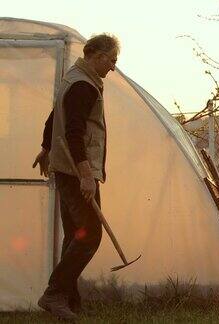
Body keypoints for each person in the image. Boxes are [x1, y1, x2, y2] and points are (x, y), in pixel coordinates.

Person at [32, 33, 119, 320]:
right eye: (112, 60)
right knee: (90, 234)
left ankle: (68, 299)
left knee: (74, 233)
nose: (113, 68)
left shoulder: (74, 78)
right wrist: (86, 175)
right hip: (75, 169)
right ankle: (54, 294)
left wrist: (46, 148)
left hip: (65, 166)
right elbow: (73, 131)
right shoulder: (84, 85)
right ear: (97, 56)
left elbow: (54, 115)